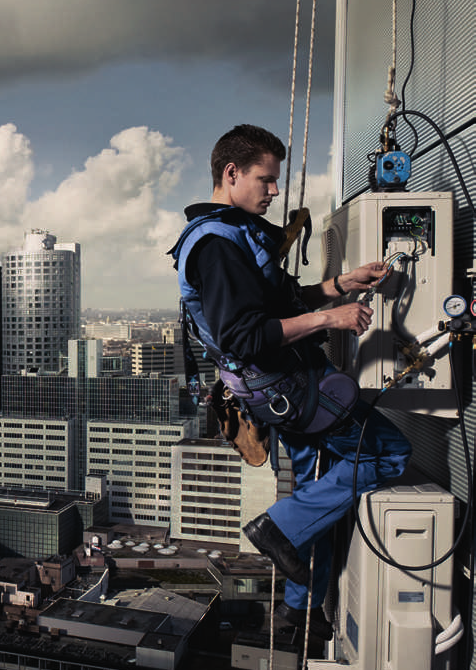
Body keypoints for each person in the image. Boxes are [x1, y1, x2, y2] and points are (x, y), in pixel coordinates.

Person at [169, 124, 412, 640]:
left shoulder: (230, 232)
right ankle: (278, 529)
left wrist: (340, 285)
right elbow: (246, 334)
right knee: (384, 455)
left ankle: (299, 611)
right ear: (230, 174)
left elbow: (280, 300)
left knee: (316, 492)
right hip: (294, 389)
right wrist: (333, 319)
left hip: (283, 390)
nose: (274, 191)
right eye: (265, 179)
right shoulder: (217, 245)